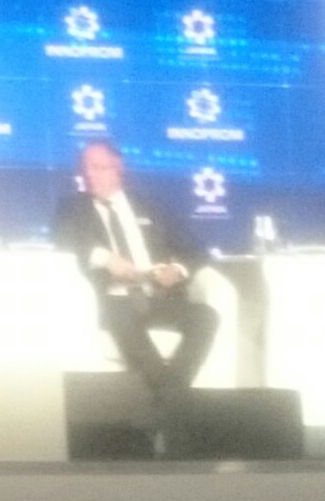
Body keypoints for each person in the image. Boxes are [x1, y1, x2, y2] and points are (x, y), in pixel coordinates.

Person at [50, 139, 218, 398]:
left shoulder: (151, 206)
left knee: (206, 316)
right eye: (85, 168)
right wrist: (105, 258)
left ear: (118, 168)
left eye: (98, 167)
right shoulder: (72, 208)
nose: (89, 174)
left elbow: (197, 250)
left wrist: (177, 270)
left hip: (157, 297)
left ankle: (168, 397)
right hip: (113, 301)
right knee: (121, 314)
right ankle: (175, 402)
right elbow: (63, 241)